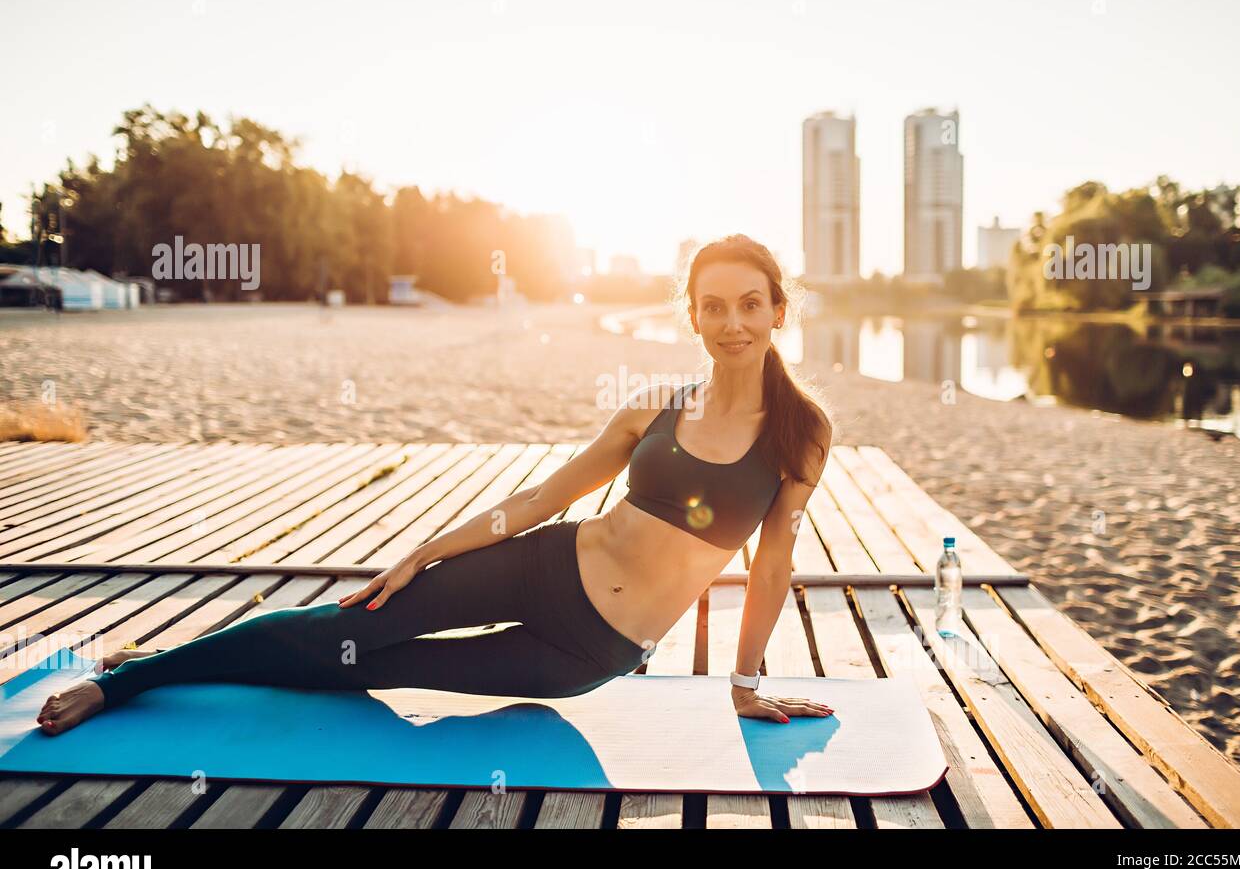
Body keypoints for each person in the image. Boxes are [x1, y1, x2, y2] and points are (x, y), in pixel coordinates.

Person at [36, 234, 837, 734]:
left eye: (750, 305)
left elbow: (772, 567)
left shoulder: (801, 433)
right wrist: (426, 550)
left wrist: (744, 685)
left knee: (379, 668)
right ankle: (132, 678)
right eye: (713, 306)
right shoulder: (654, 409)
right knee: (347, 626)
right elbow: (537, 501)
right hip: (545, 564)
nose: (733, 323)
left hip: (592, 651)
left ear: (777, 313)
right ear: (692, 317)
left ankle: (183, 660)